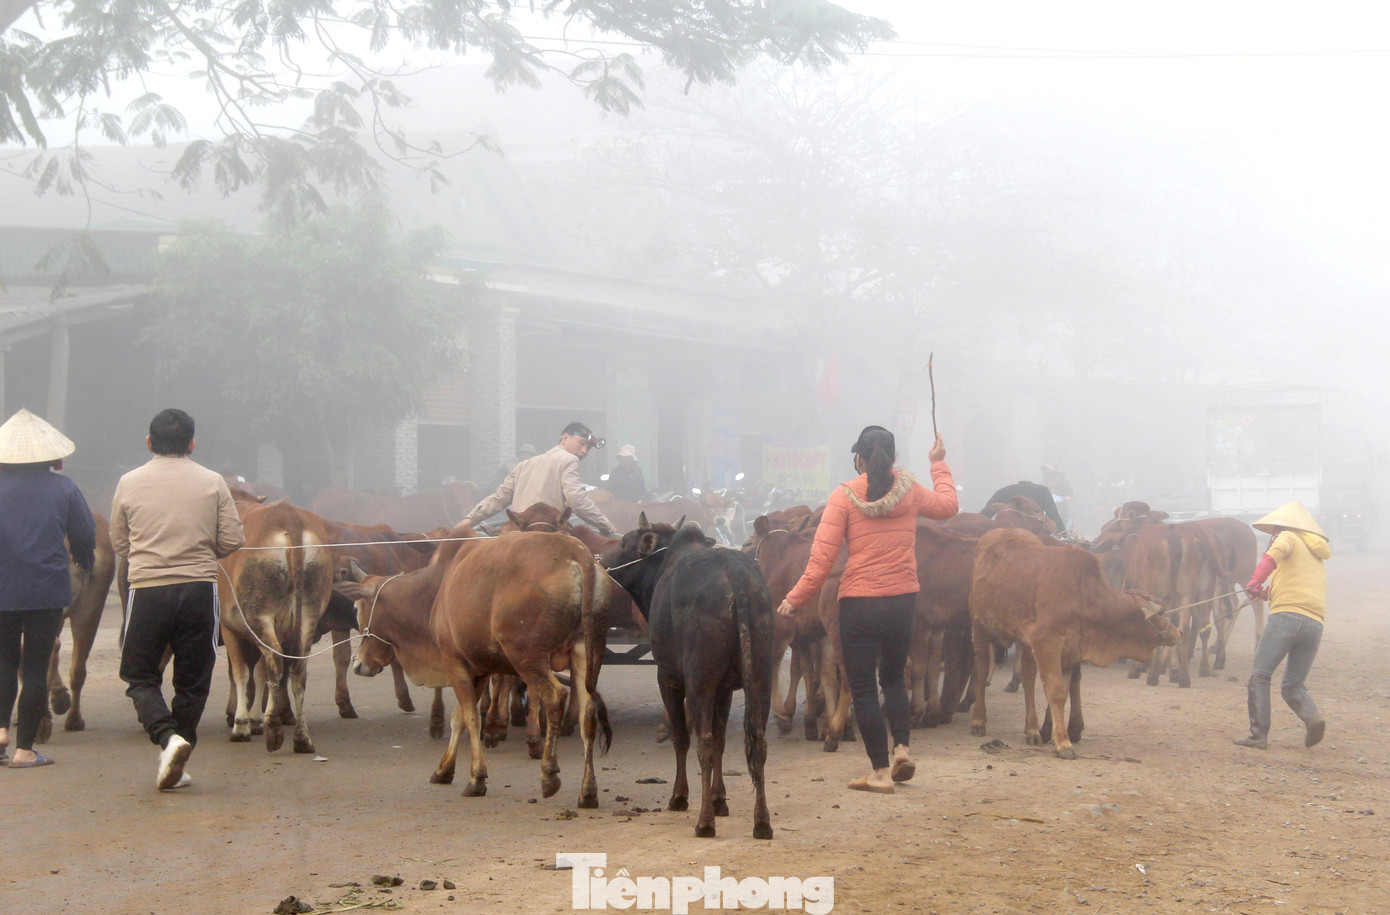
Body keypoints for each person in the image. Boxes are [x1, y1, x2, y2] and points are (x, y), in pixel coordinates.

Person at [776, 426, 958, 793]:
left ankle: (880, 772)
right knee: (893, 679)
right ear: (892, 458)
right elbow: (949, 506)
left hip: (859, 603)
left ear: (859, 458)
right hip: (903, 600)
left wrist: (794, 599)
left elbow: (821, 561)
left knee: (862, 687)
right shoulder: (911, 491)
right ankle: (901, 750)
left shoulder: (843, 497)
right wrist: (938, 463)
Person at [110, 408, 244, 790]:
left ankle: (168, 739)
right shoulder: (213, 482)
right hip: (199, 589)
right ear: (192, 444)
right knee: (193, 679)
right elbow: (233, 540)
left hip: (148, 590)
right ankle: (178, 747)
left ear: (149, 442)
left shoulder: (128, 482)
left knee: (139, 675)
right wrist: (202, 550)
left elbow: (120, 542)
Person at [0, 409, 96, 769]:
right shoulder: (64, 488)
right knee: (36, 665)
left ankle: (1, 734)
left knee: (4, 661)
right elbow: (84, 535)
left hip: (2, 588)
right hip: (46, 589)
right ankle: (25, 750)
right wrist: (84, 558)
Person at [1234, 500, 1331, 750]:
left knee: (1260, 675)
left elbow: (1270, 557)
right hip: (1314, 625)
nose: (1273, 535)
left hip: (1285, 619)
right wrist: (1263, 593)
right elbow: (1292, 587)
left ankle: (1258, 735)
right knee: (1293, 684)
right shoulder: (1315, 554)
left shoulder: (1288, 537)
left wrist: (1254, 580)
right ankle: (1313, 718)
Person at [466, 422, 620, 536]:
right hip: (545, 535)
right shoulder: (569, 460)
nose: (584, 451)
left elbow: (498, 498)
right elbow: (576, 501)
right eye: (582, 443)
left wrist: (469, 520)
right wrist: (605, 524)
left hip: (514, 534)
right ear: (565, 437)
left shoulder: (524, 465)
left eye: (588, 448)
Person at [979, 479, 1064, 531]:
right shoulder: (1043, 491)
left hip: (1006, 533)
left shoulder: (1003, 491)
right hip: (1033, 535)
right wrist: (1063, 535)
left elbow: (984, 515)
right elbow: (1054, 516)